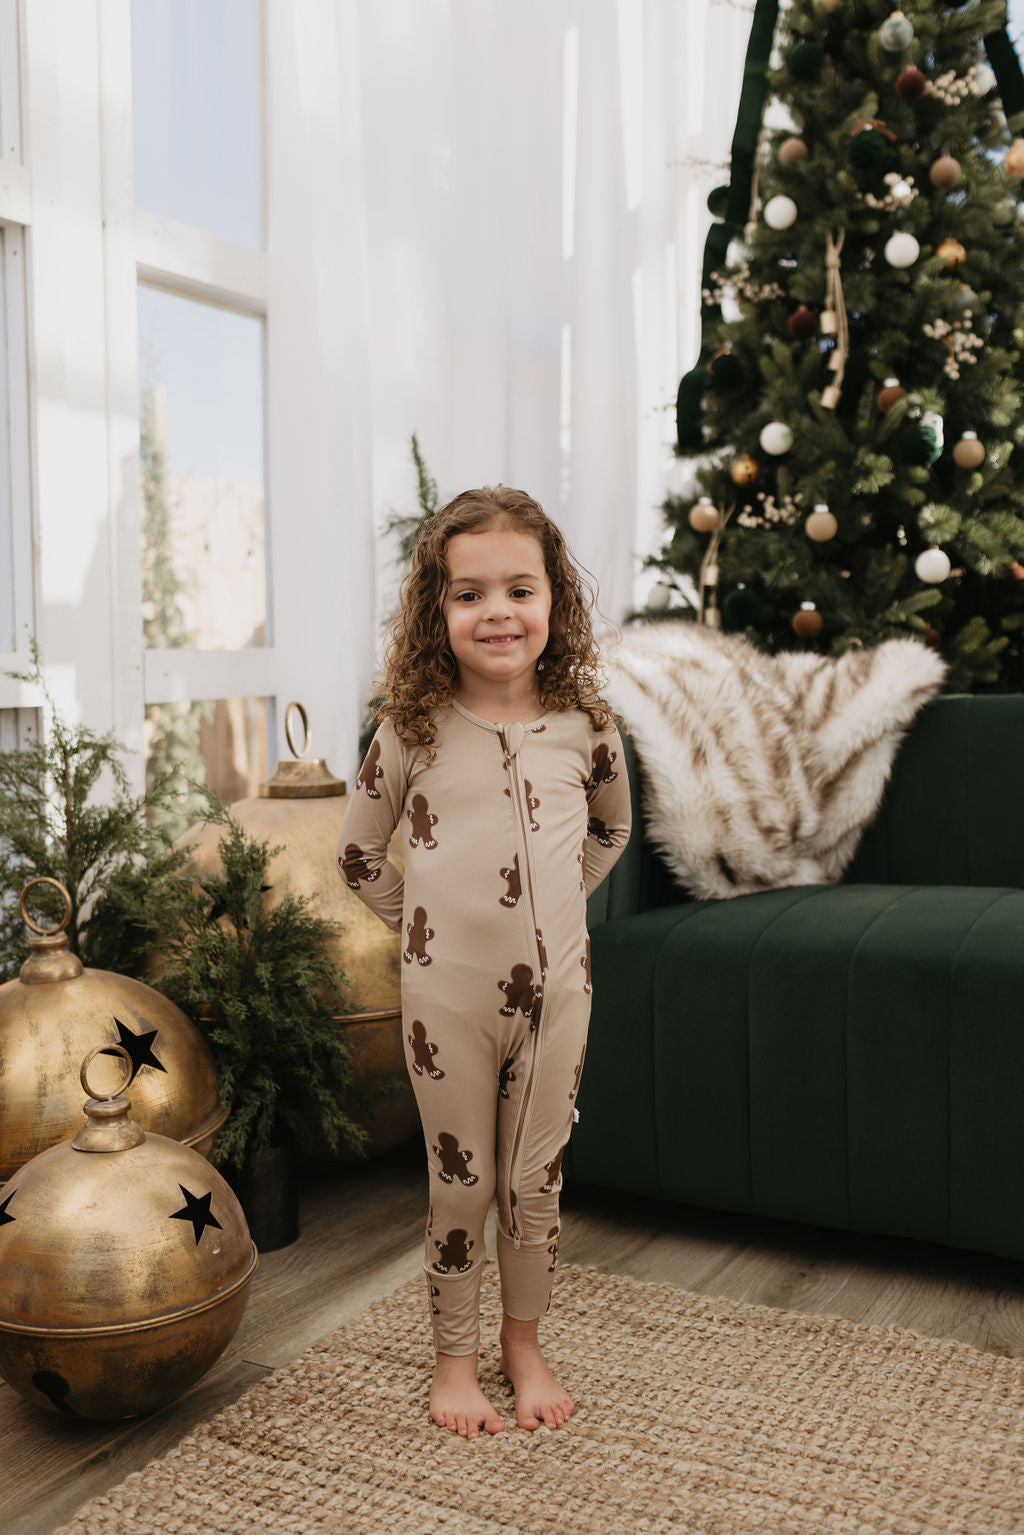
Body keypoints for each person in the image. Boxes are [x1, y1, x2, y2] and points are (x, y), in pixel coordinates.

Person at [338, 485, 631, 1438]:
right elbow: (357, 853)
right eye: (469, 595)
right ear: (438, 611)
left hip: (561, 997)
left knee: (535, 1179)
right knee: (460, 1182)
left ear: (555, 600)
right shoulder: (410, 728)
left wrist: (553, 917)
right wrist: (422, 928)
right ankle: (454, 1363)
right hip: (444, 1006)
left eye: (520, 588)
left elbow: (613, 827)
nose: (497, 612)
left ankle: (523, 1343)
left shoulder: (587, 723)